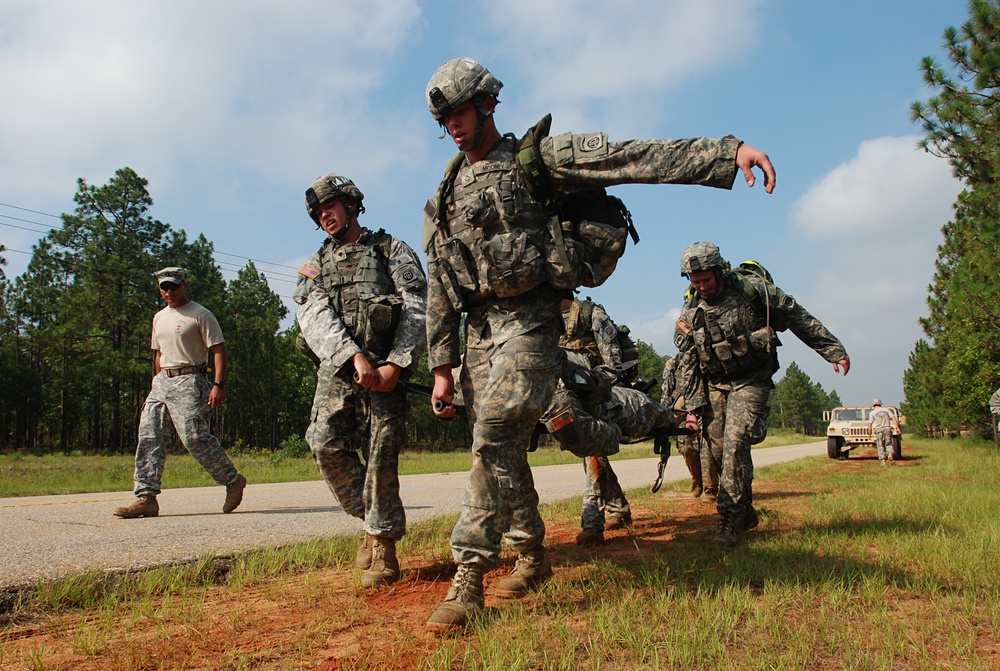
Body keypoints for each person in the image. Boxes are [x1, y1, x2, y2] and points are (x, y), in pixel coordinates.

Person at [421, 56, 777, 632]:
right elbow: (441, 281)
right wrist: (441, 364)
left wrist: (724, 153)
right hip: (479, 334)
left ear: (487, 103)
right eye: (445, 119)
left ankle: (469, 578)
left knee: (495, 429)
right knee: (499, 446)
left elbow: (632, 157)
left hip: (535, 321)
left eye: (460, 110)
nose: (454, 125)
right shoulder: (444, 193)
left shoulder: (541, 161)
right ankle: (532, 553)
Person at [294, 173, 427, 588]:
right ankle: (372, 521)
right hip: (339, 370)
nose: (325, 217)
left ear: (351, 204)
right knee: (323, 445)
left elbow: (418, 307)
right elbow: (311, 314)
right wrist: (351, 356)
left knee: (381, 454)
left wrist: (396, 364)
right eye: (318, 213)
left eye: (330, 207)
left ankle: (383, 548)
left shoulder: (391, 250)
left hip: (386, 370)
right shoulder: (316, 264)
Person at [674, 242, 849, 547]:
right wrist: (692, 406)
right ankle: (745, 512)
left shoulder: (753, 291)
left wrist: (833, 350)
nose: (702, 285)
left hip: (751, 378)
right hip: (715, 384)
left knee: (735, 442)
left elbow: (798, 317)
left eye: (706, 279)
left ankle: (727, 520)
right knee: (716, 451)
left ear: (719, 270)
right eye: (695, 281)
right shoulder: (691, 309)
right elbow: (688, 360)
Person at [114, 267, 246, 519]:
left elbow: (219, 350)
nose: (169, 291)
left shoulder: (200, 314)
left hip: (191, 379)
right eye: (164, 287)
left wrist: (219, 384)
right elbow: (159, 353)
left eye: (174, 286)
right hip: (163, 381)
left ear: (184, 285)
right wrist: (156, 380)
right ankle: (146, 497)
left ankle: (232, 480)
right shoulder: (159, 317)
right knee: (149, 436)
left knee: (194, 437)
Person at [559, 297, 632, 547]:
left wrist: (598, 395)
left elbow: (612, 364)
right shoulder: (541, 316)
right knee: (589, 453)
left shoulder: (591, 314)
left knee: (592, 451)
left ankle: (592, 524)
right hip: (565, 394)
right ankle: (618, 508)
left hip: (595, 392)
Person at [662, 352, 718, 502]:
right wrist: (664, 414)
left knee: (708, 450)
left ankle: (710, 488)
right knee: (687, 449)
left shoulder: (708, 358)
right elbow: (667, 390)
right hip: (682, 410)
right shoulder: (674, 362)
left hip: (707, 409)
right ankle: (698, 481)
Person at [868, 399, 900, 466]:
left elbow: (870, 424)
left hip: (879, 429)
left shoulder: (873, 412)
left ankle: (883, 461)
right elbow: (894, 418)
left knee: (880, 445)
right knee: (889, 443)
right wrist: (897, 428)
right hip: (887, 428)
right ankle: (890, 454)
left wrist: (869, 434)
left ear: (873, 405)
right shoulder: (887, 410)